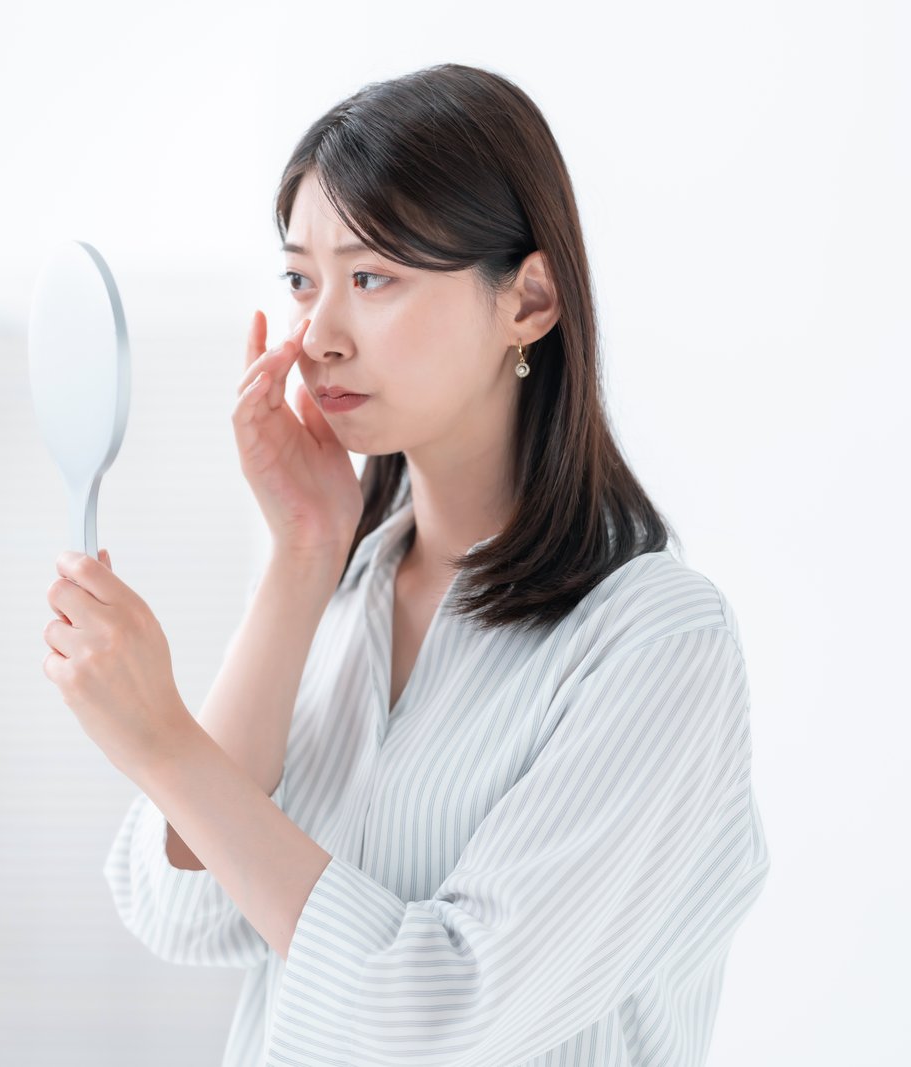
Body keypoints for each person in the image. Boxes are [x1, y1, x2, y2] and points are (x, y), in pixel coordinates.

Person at [95, 63, 771, 1066]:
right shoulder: (338, 584)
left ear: (528, 300)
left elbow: (440, 1011)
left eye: (371, 278)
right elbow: (183, 911)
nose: (317, 333)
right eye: (299, 279)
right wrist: (301, 555)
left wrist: (161, 741)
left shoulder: (656, 644)